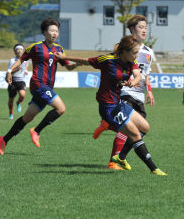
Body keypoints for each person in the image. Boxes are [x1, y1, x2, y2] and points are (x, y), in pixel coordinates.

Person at [55, 35, 167, 176]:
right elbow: (85, 61)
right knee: (135, 134)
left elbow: (138, 75)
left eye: (137, 53)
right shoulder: (107, 60)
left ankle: (119, 157)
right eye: (134, 53)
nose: (136, 55)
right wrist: (63, 57)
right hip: (108, 106)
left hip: (118, 103)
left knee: (145, 127)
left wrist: (133, 81)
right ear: (124, 51)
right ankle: (154, 169)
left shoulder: (132, 61)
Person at [0, 18, 80, 155]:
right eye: (52, 30)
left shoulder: (59, 49)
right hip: (38, 85)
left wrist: (77, 64)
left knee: (27, 118)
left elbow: (69, 67)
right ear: (44, 32)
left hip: (48, 87)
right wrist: (9, 71)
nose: (55, 33)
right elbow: (21, 59)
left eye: (57, 31)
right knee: (61, 109)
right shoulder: (36, 47)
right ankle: (36, 131)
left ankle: (4, 139)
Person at [93, 14, 155, 170]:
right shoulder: (121, 47)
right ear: (132, 29)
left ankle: (120, 156)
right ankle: (113, 162)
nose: (144, 30)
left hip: (139, 93)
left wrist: (149, 91)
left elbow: (145, 74)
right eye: (141, 27)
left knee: (141, 129)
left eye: (146, 27)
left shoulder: (149, 52)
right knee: (128, 126)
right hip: (124, 91)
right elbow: (113, 66)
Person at [6, 44, 29, 120]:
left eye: (20, 49)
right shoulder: (12, 60)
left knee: (22, 95)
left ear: (23, 51)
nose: (19, 50)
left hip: (21, 81)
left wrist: (25, 71)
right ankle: (11, 113)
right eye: (17, 49)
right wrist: (16, 70)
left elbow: (26, 67)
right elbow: (9, 72)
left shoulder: (26, 60)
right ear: (15, 52)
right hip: (13, 81)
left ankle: (18, 103)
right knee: (11, 99)